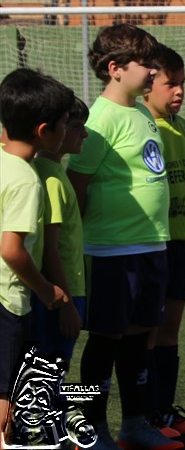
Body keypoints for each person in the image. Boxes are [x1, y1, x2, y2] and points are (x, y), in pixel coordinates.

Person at [67, 24, 183, 450]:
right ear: (115, 69)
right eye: (145, 64)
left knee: (138, 340)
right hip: (110, 250)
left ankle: (134, 423)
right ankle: (90, 429)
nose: (153, 71)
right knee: (103, 343)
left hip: (151, 244)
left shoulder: (140, 113)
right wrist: (75, 243)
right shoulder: (99, 121)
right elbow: (76, 183)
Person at [1, 69, 72, 443]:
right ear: (45, 131)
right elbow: (12, 250)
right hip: (9, 302)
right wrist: (46, 290)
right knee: (8, 395)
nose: (68, 129)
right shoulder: (27, 180)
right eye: (64, 123)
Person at [142, 45, 185, 436]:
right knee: (146, 330)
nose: (179, 91)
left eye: (182, 84)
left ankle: (165, 412)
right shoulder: (144, 129)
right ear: (148, 86)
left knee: (170, 330)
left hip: (184, 241)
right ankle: (145, 414)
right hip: (153, 243)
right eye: (171, 84)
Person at [31, 96, 89, 364]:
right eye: (74, 125)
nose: (84, 133)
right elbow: (50, 248)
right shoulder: (50, 179)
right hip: (62, 294)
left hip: (66, 290)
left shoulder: (53, 171)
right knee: (51, 370)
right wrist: (65, 303)